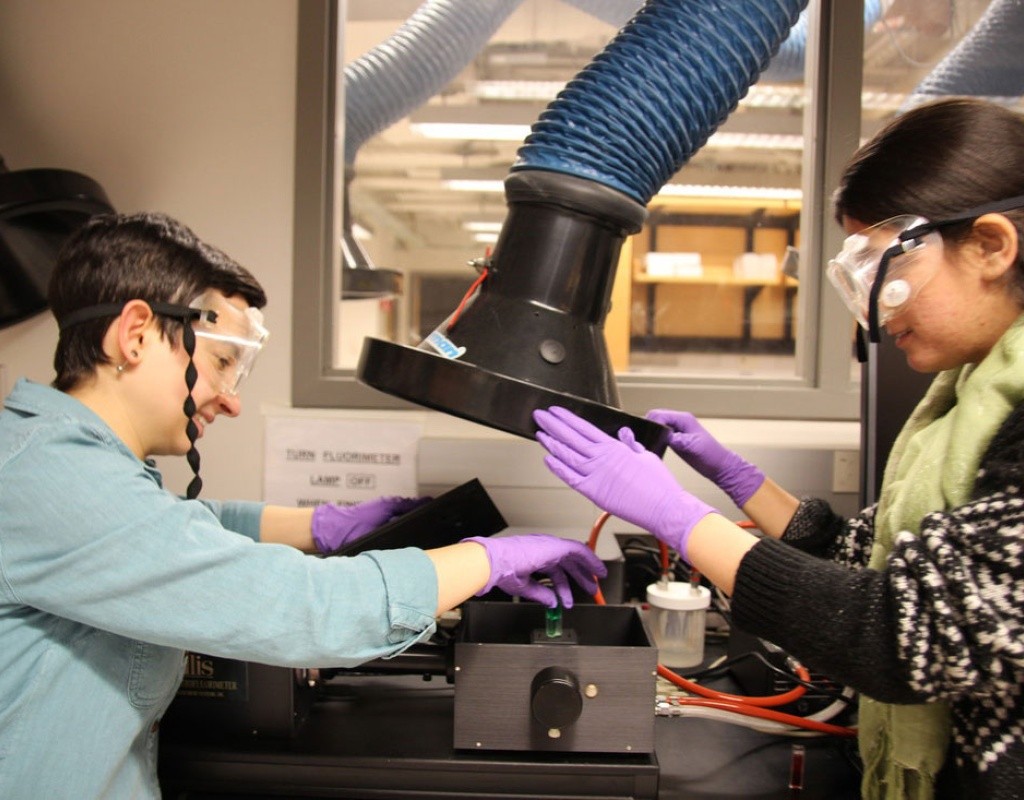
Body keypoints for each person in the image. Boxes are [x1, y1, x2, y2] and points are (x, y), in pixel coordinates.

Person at [0, 211, 605, 799]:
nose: (231, 400)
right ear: (135, 335)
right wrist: (486, 560)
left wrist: (324, 526)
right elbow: (308, 609)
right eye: (220, 363)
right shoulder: (50, 481)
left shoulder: (64, 461)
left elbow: (180, 530)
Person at [533, 97, 1024, 800]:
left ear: (991, 245)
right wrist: (742, 482)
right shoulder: (969, 393)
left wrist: (679, 518)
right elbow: (863, 562)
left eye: (884, 269)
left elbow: (900, 630)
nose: (875, 309)